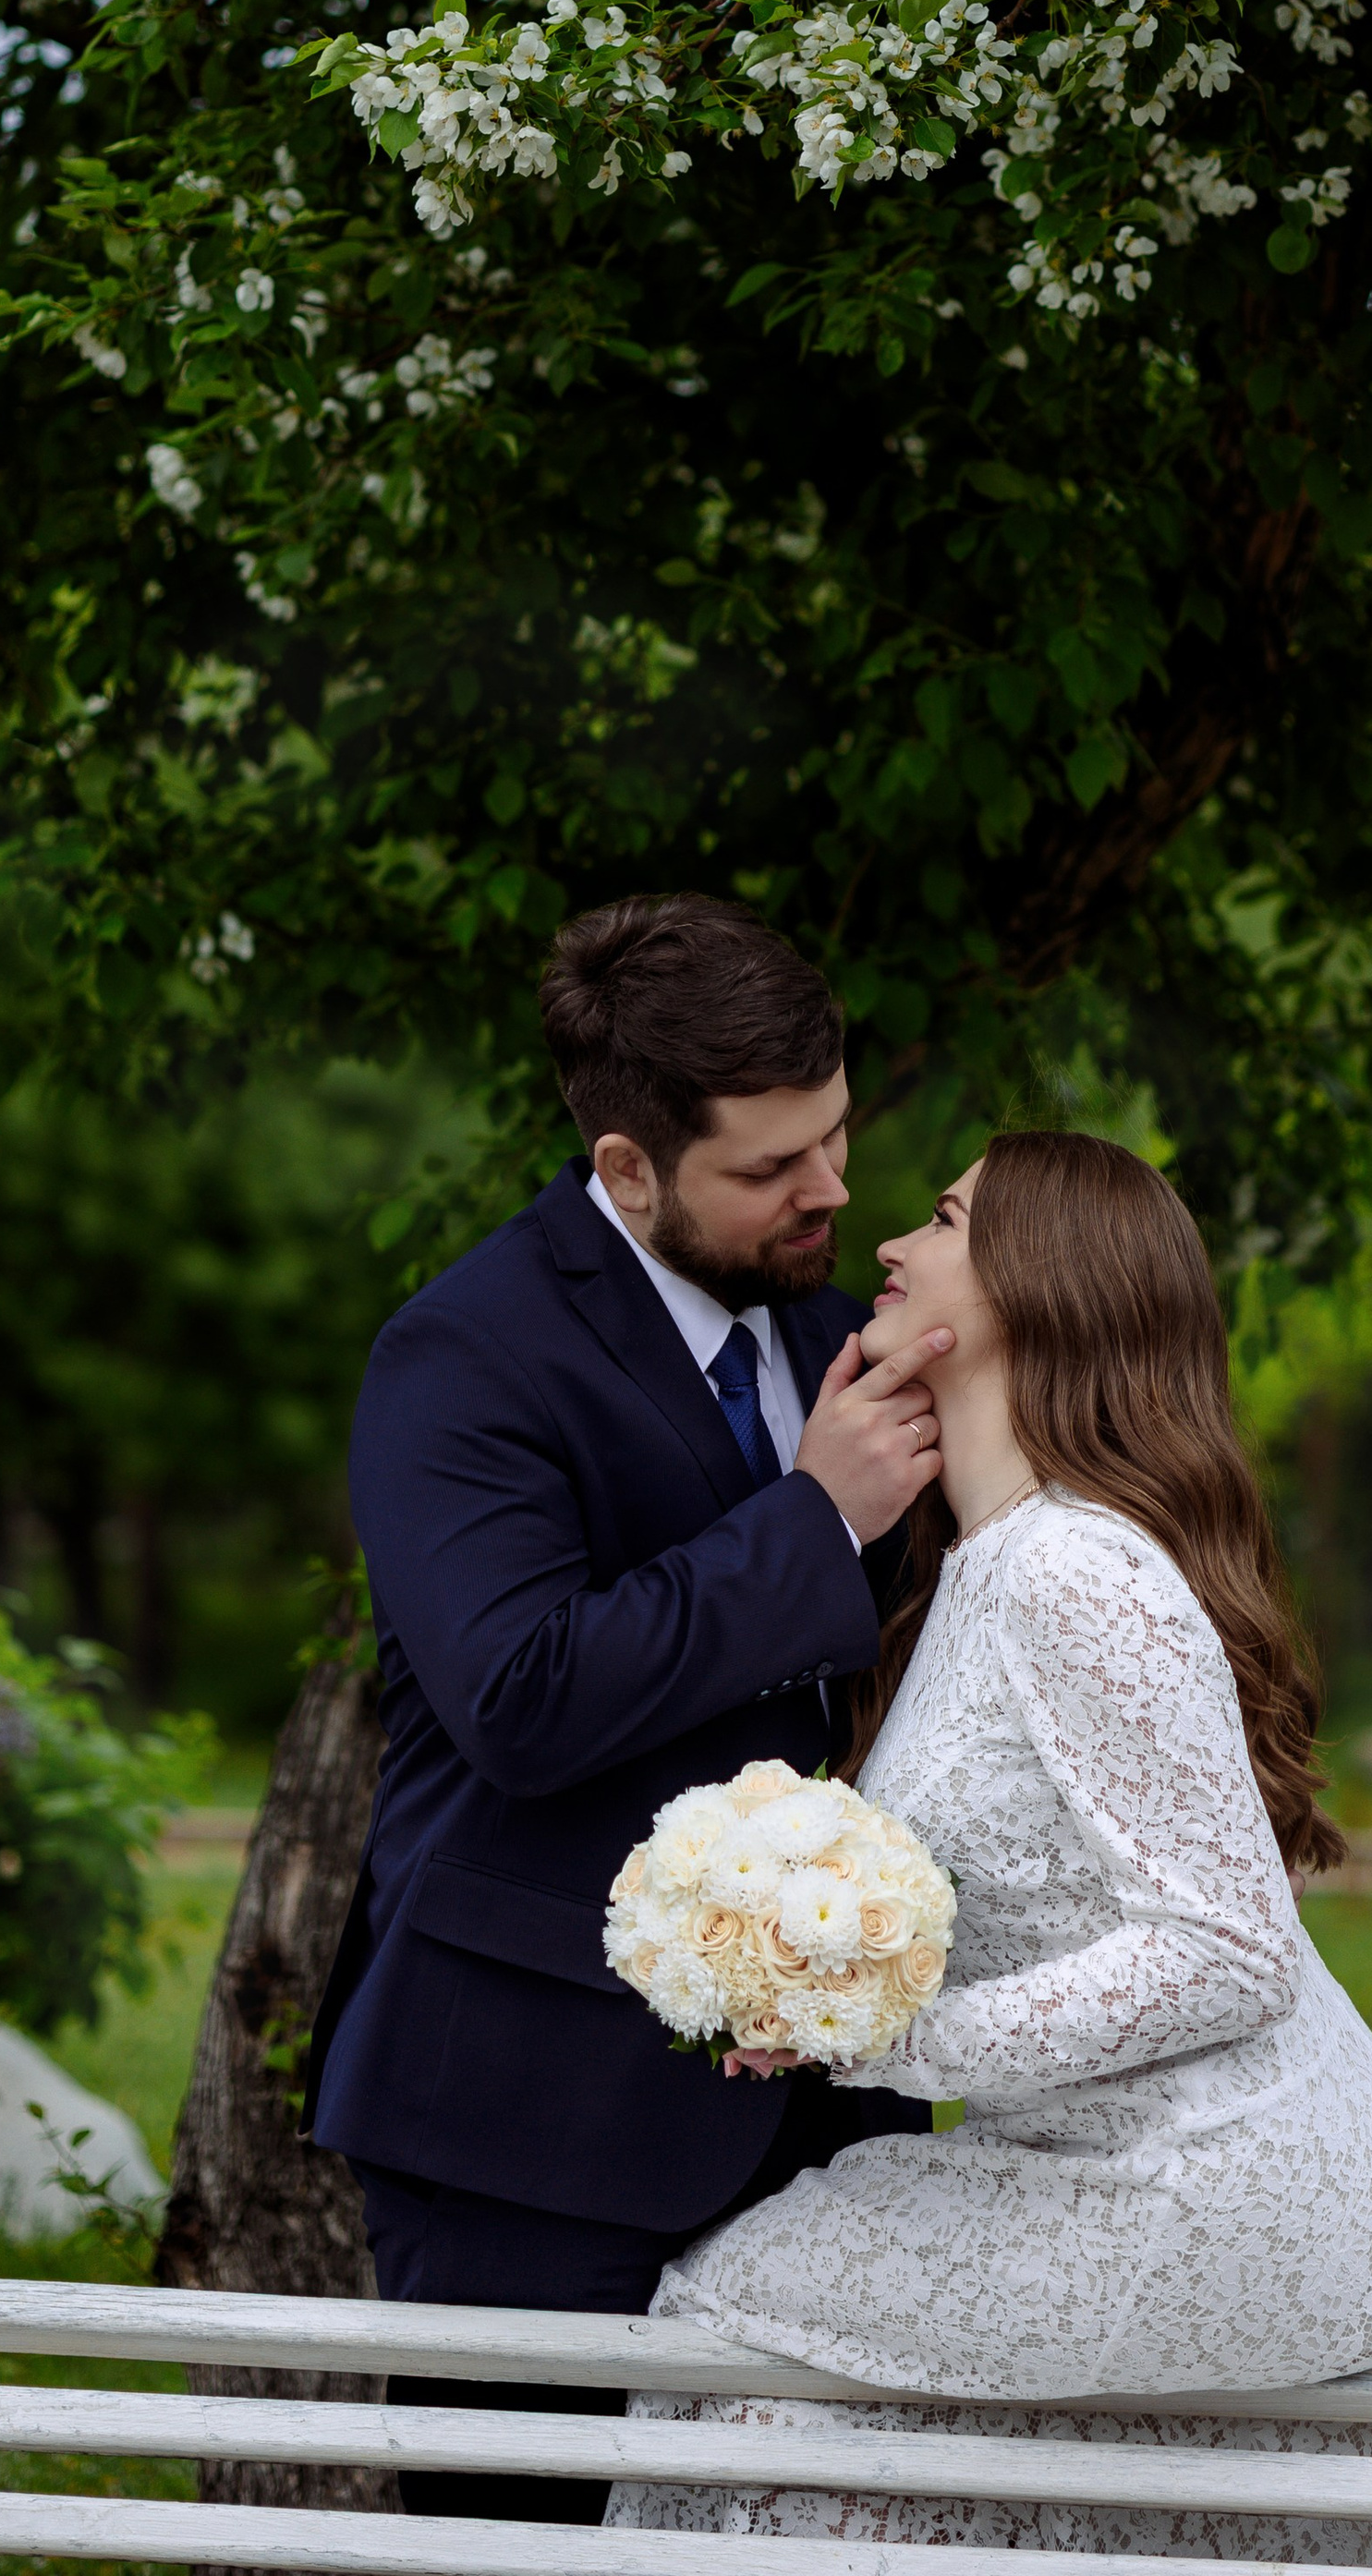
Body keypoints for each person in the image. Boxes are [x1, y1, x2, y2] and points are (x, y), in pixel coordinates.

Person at [613, 1129, 1372, 2571]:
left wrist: (896, 2041)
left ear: (1036, 1284)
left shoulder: (1079, 1569)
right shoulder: (993, 1561)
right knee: (784, 2358)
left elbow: (1229, 1951)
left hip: (1213, 2181)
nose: (889, 1242)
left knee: (737, 2310)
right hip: (1113, 2165)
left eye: (944, 1217)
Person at [303, 890, 943, 2521]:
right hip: (528, 2116)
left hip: (825, 2115)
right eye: (772, 1168)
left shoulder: (830, 1328)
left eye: (839, 1135)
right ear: (626, 1168)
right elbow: (519, 1695)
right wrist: (812, 1526)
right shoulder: (461, 1356)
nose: (832, 1192)